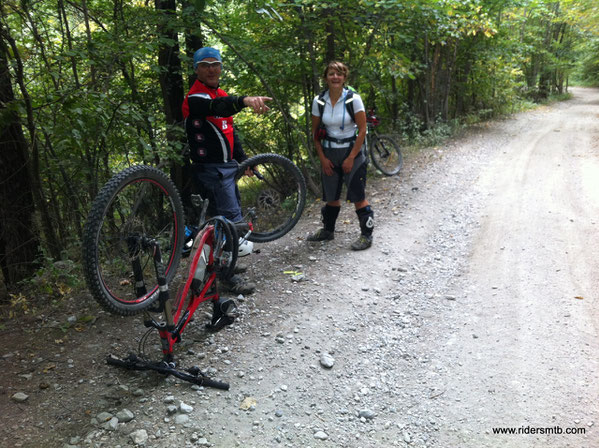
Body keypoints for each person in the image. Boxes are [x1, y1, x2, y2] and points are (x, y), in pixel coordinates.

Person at [182, 47, 272, 294]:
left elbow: (231, 134)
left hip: (228, 170)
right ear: (197, 69)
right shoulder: (196, 98)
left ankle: (219, 267)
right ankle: (227, 277)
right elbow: (219, 107)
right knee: (230, 221)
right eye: (206, 64)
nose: (212, 69)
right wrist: (244, 101)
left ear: (221, 68)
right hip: (210, 172)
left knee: (223, 224)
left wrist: (245, 161)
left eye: (216, 64)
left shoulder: (220, 94)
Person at [307, 61, 374, 250]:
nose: (335, 77)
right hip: (329, 152)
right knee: (331, 195)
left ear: (344, 77)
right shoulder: (319, 101)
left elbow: (362, 130)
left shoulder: (354, 99)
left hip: (352, 151)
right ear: (326, 77)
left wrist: (351, 157)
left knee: (357, 195)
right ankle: (328, 231)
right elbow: (315, 134)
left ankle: (366, 236)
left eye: (339, 74)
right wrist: (323, 158)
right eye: (331, 74)